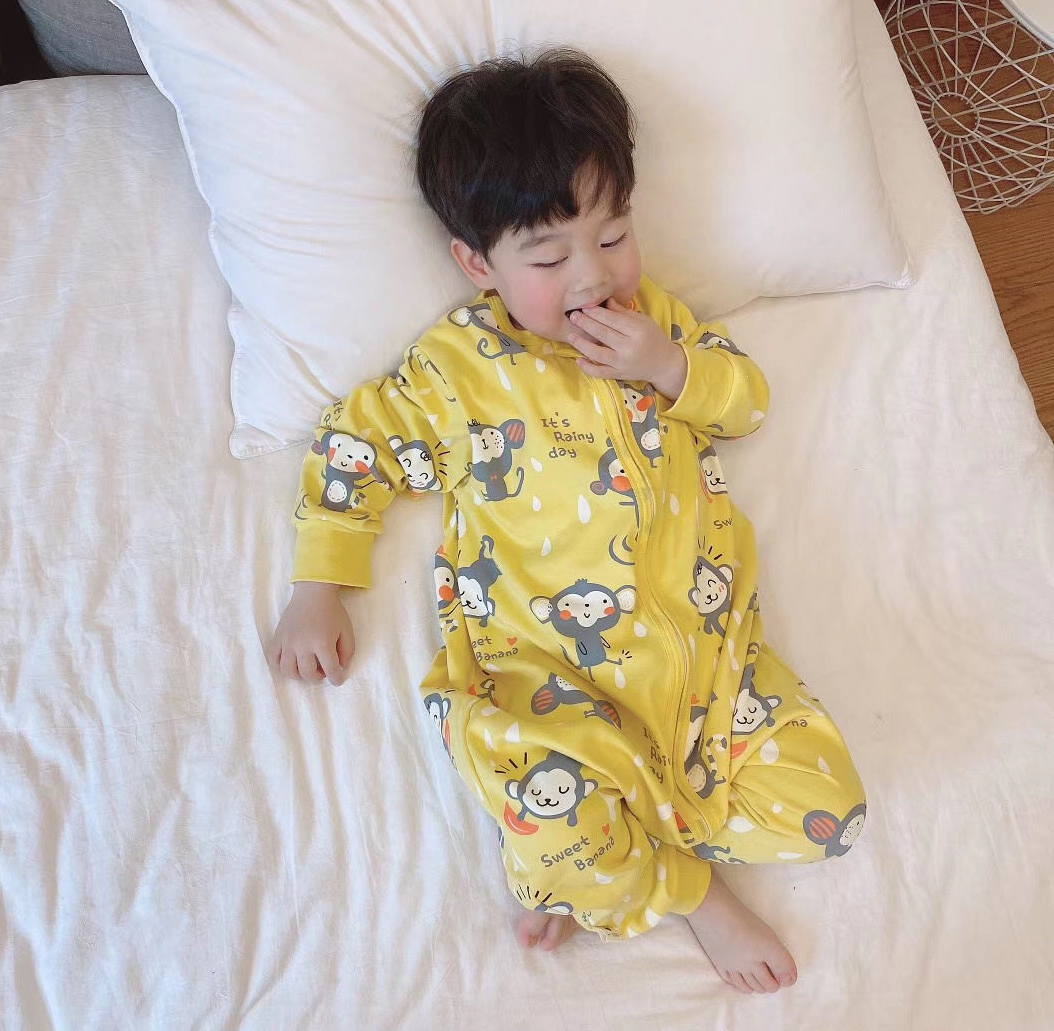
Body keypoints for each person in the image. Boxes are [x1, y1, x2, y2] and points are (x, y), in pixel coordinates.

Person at [266, 48, 866, 995]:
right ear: (479, 263)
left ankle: (613, 848)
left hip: (706, 675)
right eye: (549, 258)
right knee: (549, 805)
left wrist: (668, 367)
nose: (593, 277)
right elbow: (358, 447)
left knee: (830, 808)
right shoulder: (460, 369)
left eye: (614, 235)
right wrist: (318, 586)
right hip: (551, 687)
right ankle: (684, 888)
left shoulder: (658, 324)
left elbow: (743, 402)